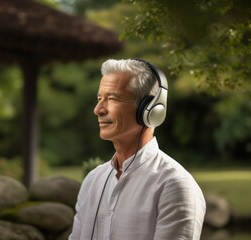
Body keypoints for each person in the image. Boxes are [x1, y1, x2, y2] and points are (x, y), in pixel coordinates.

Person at [69, 59, 206, 240]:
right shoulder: (93, 181)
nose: (98, 109)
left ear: (149, 110)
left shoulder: (175, 185)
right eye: (99, 99)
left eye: (112, 98)